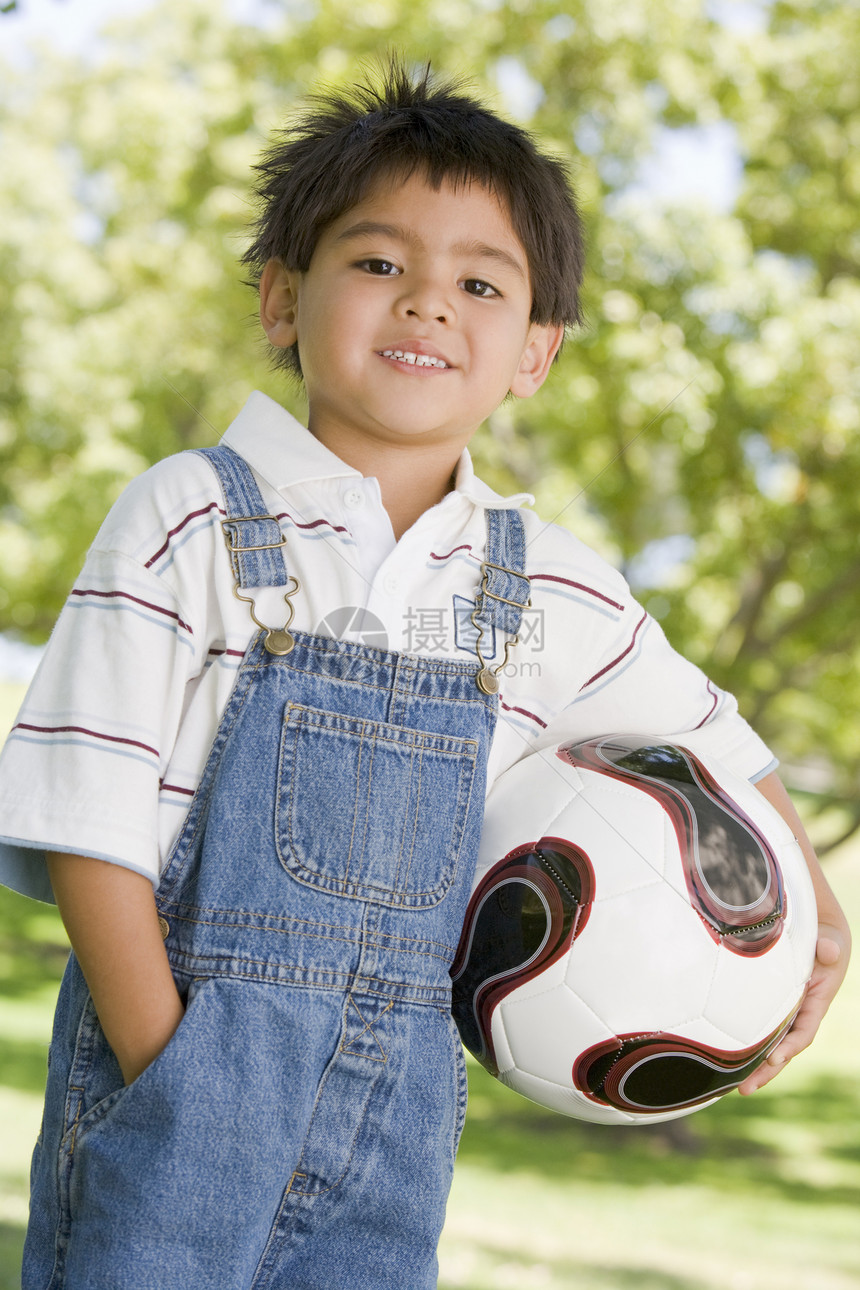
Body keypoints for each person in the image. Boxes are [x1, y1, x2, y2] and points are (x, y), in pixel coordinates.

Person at [0, 60, 849, 1290]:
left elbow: (710, 735)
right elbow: (90, 823)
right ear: (282, 299)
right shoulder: (190, 516)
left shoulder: (546, 584)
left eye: (478, 283)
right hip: (179, 1078)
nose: (427, 306)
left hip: (395, 1126)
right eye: (378, 264)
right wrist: (171, 1074)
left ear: (534, 353)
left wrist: (813, 915)